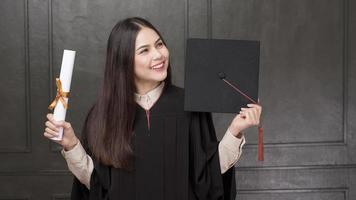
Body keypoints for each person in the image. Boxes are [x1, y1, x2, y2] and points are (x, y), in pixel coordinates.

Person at [44, 17, 262, 200]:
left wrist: (235, 131)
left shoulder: (189, 105)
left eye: (159, 44)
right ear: (124, 61)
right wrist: (72, 145)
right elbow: (98, 185)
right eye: (144, 50)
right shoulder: (103, 115)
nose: (158, 55)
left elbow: (208, 177)